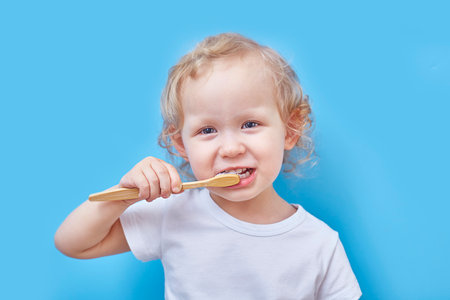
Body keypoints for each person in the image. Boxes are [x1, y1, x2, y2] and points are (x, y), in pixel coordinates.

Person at [55, 33, 362, 299]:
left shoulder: (320, 243)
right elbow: (73, 244)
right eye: (207, 130)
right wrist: (124, 196)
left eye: (250, 123)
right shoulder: (173, 212)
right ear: (180, 144)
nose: (230, 148)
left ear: (290, 130)